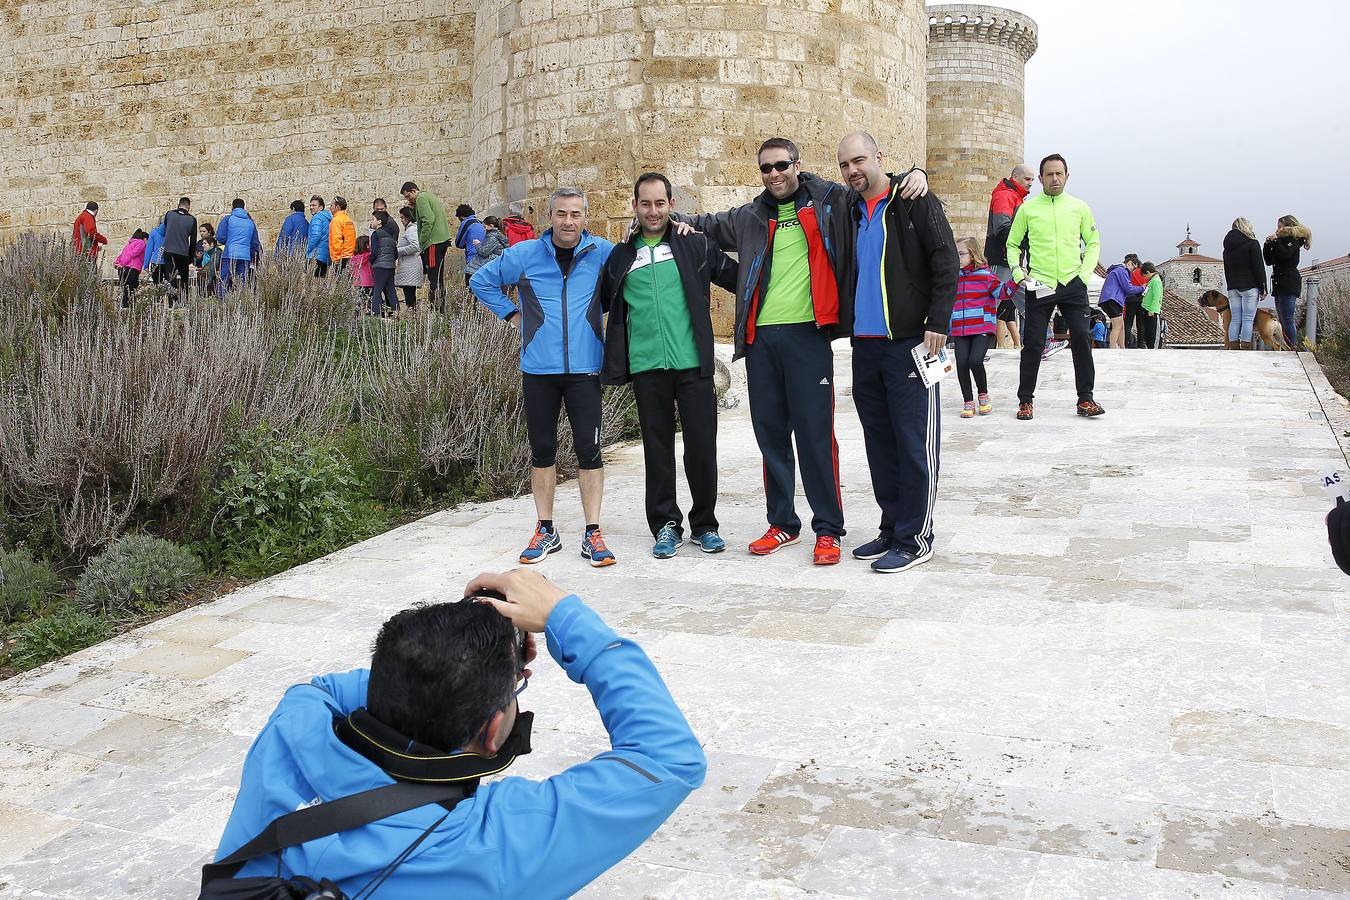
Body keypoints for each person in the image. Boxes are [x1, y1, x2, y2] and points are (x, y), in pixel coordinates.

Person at [211, 567, 705, 898]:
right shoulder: (487, 846)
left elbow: (324, 690)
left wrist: (452, 661)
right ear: (494, 731)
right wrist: (561, 616)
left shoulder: (293, 729)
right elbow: (669, 758)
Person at [673, 137, 928, 564]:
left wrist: (914, 173)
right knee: (770, 436)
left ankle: (828, 529)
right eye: (766, 168)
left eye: (781, 165)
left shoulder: (831, 199)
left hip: (808, 337)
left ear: (796, 164)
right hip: (760, 341)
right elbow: (705, 222)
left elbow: (872, 183)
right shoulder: (749, 216)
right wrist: (667, 218)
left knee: (814, 436)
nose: (774, 174)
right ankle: (782, 524)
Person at [470, 187, 618, 567]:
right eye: (561, 214)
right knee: (543, 452)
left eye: (575, 214)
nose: (568, 221)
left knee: (590, 451)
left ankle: (593, 532)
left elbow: (631, 272)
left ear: (586, 217)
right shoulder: (525, 254)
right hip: (538, 369)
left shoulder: (601, 251)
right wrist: (512, 315)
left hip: (585, 368)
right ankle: (546, 529)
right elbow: (480, 281)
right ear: (549, 217)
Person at [599, 173, 738, 558]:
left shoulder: (694, 246)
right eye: (646, 204)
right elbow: (595, 300)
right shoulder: (622, 256)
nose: (653, 211)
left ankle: (705, 525)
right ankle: (665, 525)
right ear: (635, 207)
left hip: (692, 365)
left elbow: (740, 278)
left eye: (660, 203)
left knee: (701, 449)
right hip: (647, 368)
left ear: (671, 205)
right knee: (656, 451)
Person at [836, 133, 955, 573]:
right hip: (864, 346)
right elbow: (797, 178)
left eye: (860, 160)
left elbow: (946, 260)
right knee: (880, 445)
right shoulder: (848, 210)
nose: (853, 170)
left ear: (879, 158)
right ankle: (892, 527)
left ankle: (916, 537)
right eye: (846, 164)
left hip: (911, 345)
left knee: (913, 444)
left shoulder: (912, 199)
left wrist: (938, 321)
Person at [1007, 154, 1103, 420]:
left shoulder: (1079, 207)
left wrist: (1084, 275)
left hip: (1073, 282)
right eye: (1049, 174)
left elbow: (1093, 242)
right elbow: (1012, 245)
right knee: (1033, 344)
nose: (1055, 179)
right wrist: (1017, 273)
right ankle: (1025, 400)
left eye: (1059, 173)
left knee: (1082, 337)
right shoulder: (1028, 209)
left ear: (1067, 176)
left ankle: (1086, 399)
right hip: (1041, 283)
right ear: (1040, 179)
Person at [950, 237, 1011, 419]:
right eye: (956, 254)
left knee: (975, 361)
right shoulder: (953, 276)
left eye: (961, 254)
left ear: (973, 254)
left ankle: (983, 395)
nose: (958, 258)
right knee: (961, 363)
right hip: (960, 328)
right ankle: (968, 401)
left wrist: (1016, 281)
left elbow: (1002, 292)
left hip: (981, 327)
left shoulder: (985, 275)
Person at [986, 165, 1032, 350]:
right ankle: (981, 346)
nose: (1030, 183)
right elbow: (1002, 228)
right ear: (1015, 177)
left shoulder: (1016, 197)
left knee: (1029, 298)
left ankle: (1045, 339)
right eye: (1027, 179)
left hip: (1011, 260)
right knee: (990, 301)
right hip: (1002, 259)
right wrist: (1019, 248)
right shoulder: (1005, 195)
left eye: (1032, 180)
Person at [1264, 215, 1312, 349]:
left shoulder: (1293, 241)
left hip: (1289, 283)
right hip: (1279, 284)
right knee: (1282, 319)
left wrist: (1275, 242)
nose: (1277, 230)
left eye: (1280, 227)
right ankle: (1286, 345)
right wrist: (1267, 245)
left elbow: (1285, 255)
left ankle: (1292, 345)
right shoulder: (1279, 241)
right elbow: (1269, 261)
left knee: (1288, 319)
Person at [400, 182, 452, 307]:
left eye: (408, 196)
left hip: (433, 242)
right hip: (440, 240)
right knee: (437, 278)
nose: (408, 200)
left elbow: (428, 220)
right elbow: (421, 218)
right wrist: (413, 208)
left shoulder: (421, 198)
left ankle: (437, 309)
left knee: (434, 279)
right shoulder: (427, 196)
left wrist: (422, 240)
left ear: (413, 191)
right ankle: (440, 308)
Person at [1222, 217, 1267, 350]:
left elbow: (1227, 268)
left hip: (1233, 287)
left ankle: (1234, 347)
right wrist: (1263, 287)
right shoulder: (1252, 243)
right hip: (1249, 286)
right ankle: (1246, 348)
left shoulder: (1227, 247)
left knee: (1235, 319)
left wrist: (1230, 284)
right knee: (1247, 318)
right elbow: (1258, 267)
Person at [217, 198, 263, 296]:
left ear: (232, 207)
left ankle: (222, 303)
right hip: (245, 256)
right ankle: (242, 304)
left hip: (229, 254)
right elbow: (255, 242)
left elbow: (220, 236)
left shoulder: (228, 219)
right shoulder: (250, 222)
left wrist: (229, 242)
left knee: (224, 280)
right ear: (244, 207)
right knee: (242, 282)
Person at [1099, 253, 1144, 349]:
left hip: (1110, 300)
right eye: (1134, 268)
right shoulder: (1122, 270)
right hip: (1112, 300)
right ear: (1130, 263)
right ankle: (1113, 348)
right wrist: (1142, 288)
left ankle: (1122, 347)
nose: (1133, 271)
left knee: (1122, 325)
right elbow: (1128, 288)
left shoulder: (1117, 270)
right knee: (1117, 325)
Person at [159, 196, 198, 300]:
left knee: (170, 276)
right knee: (184, 278)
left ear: (178, 204)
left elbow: (166, 228)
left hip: (168, 250)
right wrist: (190, 258)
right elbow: (193, 241)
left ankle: (172, 302)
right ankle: (184, 301)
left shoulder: (169, 214)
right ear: (189, 207)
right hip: (183, 252)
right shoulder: (192, 220)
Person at [369, 210, 400, 316]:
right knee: (391, 290)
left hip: (380, 266)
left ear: (379, 221)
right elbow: (395, 254)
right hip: (391, 266)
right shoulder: (391, 235)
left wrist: (370, 261)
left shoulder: (376, 234)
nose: (371, 222)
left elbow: (374, 251)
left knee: (376, 291)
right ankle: (396, 312)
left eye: (373, 219)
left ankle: (376, 313)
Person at [395, 206, 422, 310]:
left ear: (407, 217)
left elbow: (415, 246)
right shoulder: (412, 229)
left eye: (402, 217)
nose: (401, 220)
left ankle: (412, 318)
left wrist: (398, 251)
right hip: (410, 267)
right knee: (410, 296)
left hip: (410, 268)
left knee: (409, 296)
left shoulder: (411, 229)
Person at [455, 203, 488, 286]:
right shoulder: (480, 223)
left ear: (461, 216)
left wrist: (466, 244)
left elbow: (458, 243)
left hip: (472, 260)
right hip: (485, 260)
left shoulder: (467, 223)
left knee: (470, 287)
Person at [113, 229, 148, 306]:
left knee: (126, 289)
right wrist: (122, 263)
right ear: (145, 238)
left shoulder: (129, 245)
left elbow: (122, 255)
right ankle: (128, 309)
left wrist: (117, 263)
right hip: (131, 269)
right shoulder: (141, 243)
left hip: (123, 269)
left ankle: (125, 308)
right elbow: (132, 254)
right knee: (131, 289)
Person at [329, 196, 357, 275]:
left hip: (341, 257)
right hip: (349, 255)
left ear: (337, 207)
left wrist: (336, 259)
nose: (330, 208)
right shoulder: (348, 219)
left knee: (339, 284)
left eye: (331, 205)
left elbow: (336, 240)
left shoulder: (336, 220)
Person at [306, 196, 333, 277]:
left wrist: (307, 250)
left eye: (314, 205)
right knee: (320, 284)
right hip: (325, 256)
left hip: (316, 255)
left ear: (321, 207)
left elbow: (316, 235)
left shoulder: (317, 218)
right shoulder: (327, 218)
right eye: (310, 205)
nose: (311, 207)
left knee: (312, 284)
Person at [1138, 262, 1163, 348]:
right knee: (1148, 333)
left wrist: (1152, 310)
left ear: (1148, 272)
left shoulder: (1156, 281)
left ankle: (1154, 350)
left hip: (1152, 311)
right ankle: (1149, 348)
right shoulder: (1152, 280)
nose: (1145, 278)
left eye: (1145, 276)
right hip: (1146, 309)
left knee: (1153, 334)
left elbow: (1157, 296)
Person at [195, 222, 219, 296]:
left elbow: (212, 267)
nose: (201, 233)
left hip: (209, 278)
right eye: (200, 231)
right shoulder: (200, 245)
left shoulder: (216, 252)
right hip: (202, 273)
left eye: (204, 231)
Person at [142, 219, 167, 285]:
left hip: (155, 262)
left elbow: (149, 249)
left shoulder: (154, 232)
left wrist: (146, 265)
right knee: (170, 288)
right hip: (168, 262)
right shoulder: (172, 232)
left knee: (157, 287)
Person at [351, 234, 374, 306]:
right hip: (368, 282)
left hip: (357, 282)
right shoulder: (368, 255)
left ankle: (357, 316)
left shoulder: (353, 257)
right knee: (369, 301)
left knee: (359, 301)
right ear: (367, 245)